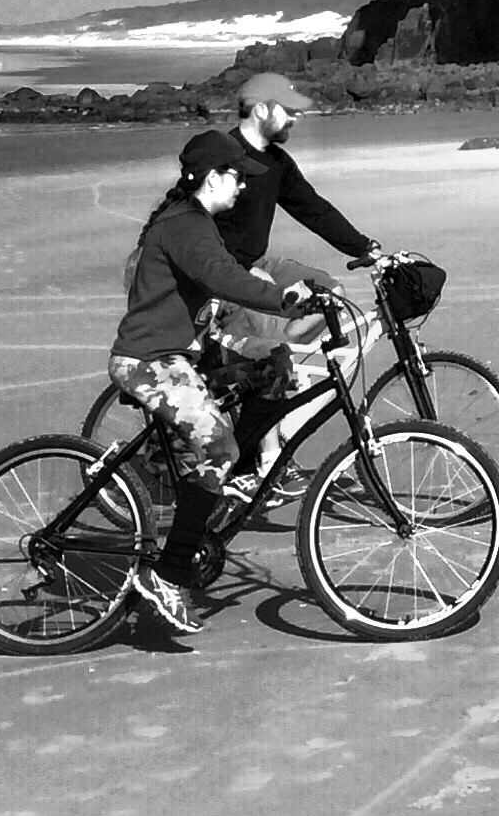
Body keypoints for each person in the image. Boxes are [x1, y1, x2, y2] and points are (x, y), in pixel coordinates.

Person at [109, 140, 321, 634]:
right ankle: (168, 574)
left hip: (182, 356)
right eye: (236, 176)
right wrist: (284, 300)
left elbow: (220, 281)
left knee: (273, 370)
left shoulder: (196, 223)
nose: (243, 185)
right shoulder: (184, 225)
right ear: (211, 179)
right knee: (217, 443)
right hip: (149, 361)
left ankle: (233, 480)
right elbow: (222, 277)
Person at [174, 71, 390, 499]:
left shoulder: (274, 161)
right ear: (260, 110)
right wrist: (244, 277)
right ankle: (268, 458)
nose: (295, 118)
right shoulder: (222, 157)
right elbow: (194, 228)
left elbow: (312, 207)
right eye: (288, 111)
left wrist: (367, 249)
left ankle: (271, 398)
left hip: (260, 263)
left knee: (331, 293)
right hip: (227, 277)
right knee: (274, 348)